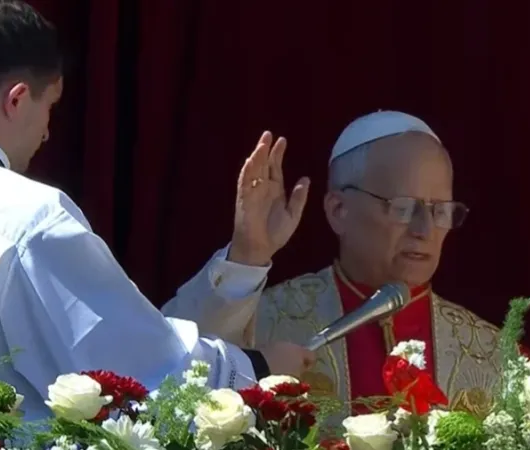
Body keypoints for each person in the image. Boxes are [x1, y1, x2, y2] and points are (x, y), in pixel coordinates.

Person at [0, 0, 313, 420]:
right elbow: (137, 373)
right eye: (49, 106)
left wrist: (247, 256)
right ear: (16, 100)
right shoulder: (25, 215)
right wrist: (261, 369)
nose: (48, 131)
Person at [164, 110, 508, 418]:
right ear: (338, 210)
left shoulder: (491, 353)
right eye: (403, 208)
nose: (424, 230)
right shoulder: (267, 321)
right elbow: (168, 367)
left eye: (440, 211)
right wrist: (247, 255)